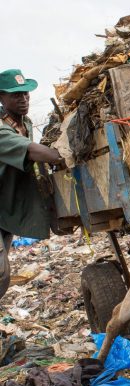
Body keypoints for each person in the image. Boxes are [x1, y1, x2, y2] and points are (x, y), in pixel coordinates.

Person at [0, 69, 63, 299]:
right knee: (1, 273)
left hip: (6, 208)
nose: (23, 99)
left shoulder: (23, 121)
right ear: (1, 98)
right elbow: (31, 151)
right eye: (16, 95)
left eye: (25, 94)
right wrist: (60, 154)